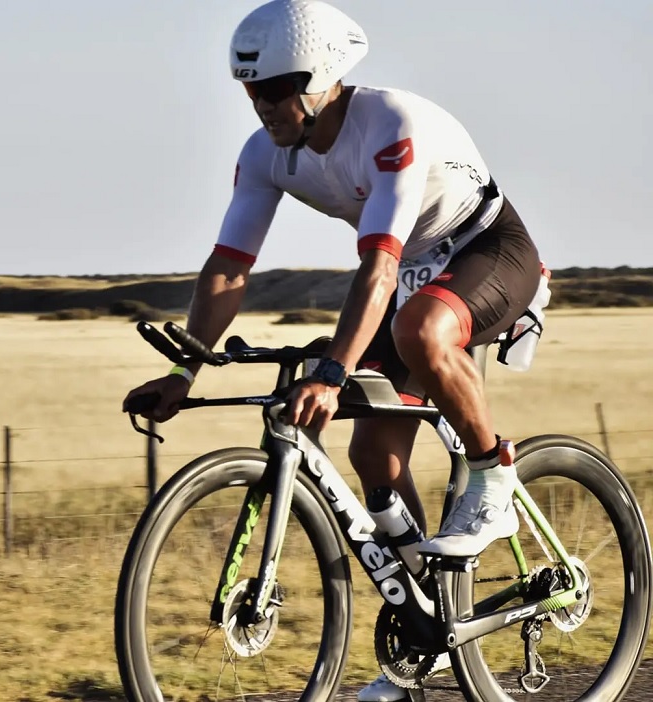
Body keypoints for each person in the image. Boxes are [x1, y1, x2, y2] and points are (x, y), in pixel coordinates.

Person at [121, 0, 545, 699]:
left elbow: (377, 269)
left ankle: (493, 478)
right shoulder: (265, 155)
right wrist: (183, 367)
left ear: (318, 79)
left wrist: (333, 369)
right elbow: (229, 267)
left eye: (274, 89)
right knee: (372, 454)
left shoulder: (391, 127)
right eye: (250, 90)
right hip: (412, 273)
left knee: (419, 330)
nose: (260, 105)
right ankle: (428, 626)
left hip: (488, 250)